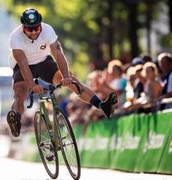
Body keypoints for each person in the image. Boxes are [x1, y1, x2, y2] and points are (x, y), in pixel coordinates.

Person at [6, 8, 117, 137]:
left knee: (73, 81)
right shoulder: (15, 37)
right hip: (23, 65)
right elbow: (24, 65)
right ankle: (16, 118)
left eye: (36, 28)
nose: (34, 32)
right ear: (23, 27)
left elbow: (58, 54)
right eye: (29, 29)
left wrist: (66, 76)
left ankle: (102, 106)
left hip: (43, 61)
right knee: (20, 92)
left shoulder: (47, 30)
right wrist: (32, 86)